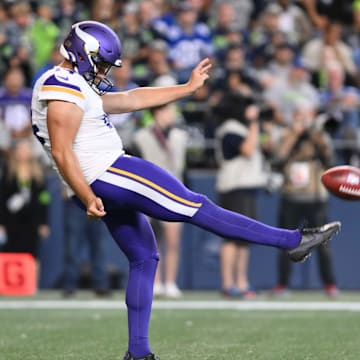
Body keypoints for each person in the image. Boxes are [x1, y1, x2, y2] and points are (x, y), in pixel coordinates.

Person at [31, 21, 341, 360]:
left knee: (144, 257)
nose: (104, 71)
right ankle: (292, 241)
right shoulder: (60, 83)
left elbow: (130, 98)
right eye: (101, 62)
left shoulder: (75, 84)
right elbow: (62, 151)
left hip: (99, 178)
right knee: (196, 206)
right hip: (108, 172)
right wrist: (88, 195)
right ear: (81, 53)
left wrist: (186, 88)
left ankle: (138, 353)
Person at [270, 100, 339, 298]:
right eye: (299, 116)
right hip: (291, 196)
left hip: (315, 197)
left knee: (323, 243)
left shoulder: (319, 136)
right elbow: (277, 159)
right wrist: (296, 134)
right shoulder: (286, 135)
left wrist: (314, 135)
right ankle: (282, 284)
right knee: (285, 243)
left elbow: (330, 161)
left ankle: (329, 284)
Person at [132, 103, 187, 298]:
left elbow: (182, 168)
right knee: (149, 241)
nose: (173, 114)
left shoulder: (180, 137)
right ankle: (153, 282)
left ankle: (170, 282)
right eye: (169, 110)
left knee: (173, 241)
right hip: (148, 193)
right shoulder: (141, 137)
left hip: (173, 193)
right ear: (157, 112)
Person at [215, 92, 266, 299]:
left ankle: (241, 282)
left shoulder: (239, 128)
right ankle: (228, 283)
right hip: (234, 188)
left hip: (246, 187)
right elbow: (247, 149)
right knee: (231, 237)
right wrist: (254, 123)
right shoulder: (230, 129)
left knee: (244, 238)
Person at [0, 139, 50, 282]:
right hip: (12, 221)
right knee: (11, 250)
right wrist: (1, 223)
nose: (23, 153)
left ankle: (31, 283)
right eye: (20, 150)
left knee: (32, 252)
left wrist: (43, 222)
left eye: (26, 150)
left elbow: (44, 200)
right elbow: (2, 200)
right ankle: (9, 283)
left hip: (31, 221)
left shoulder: (37, 174)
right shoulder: (9, 173)